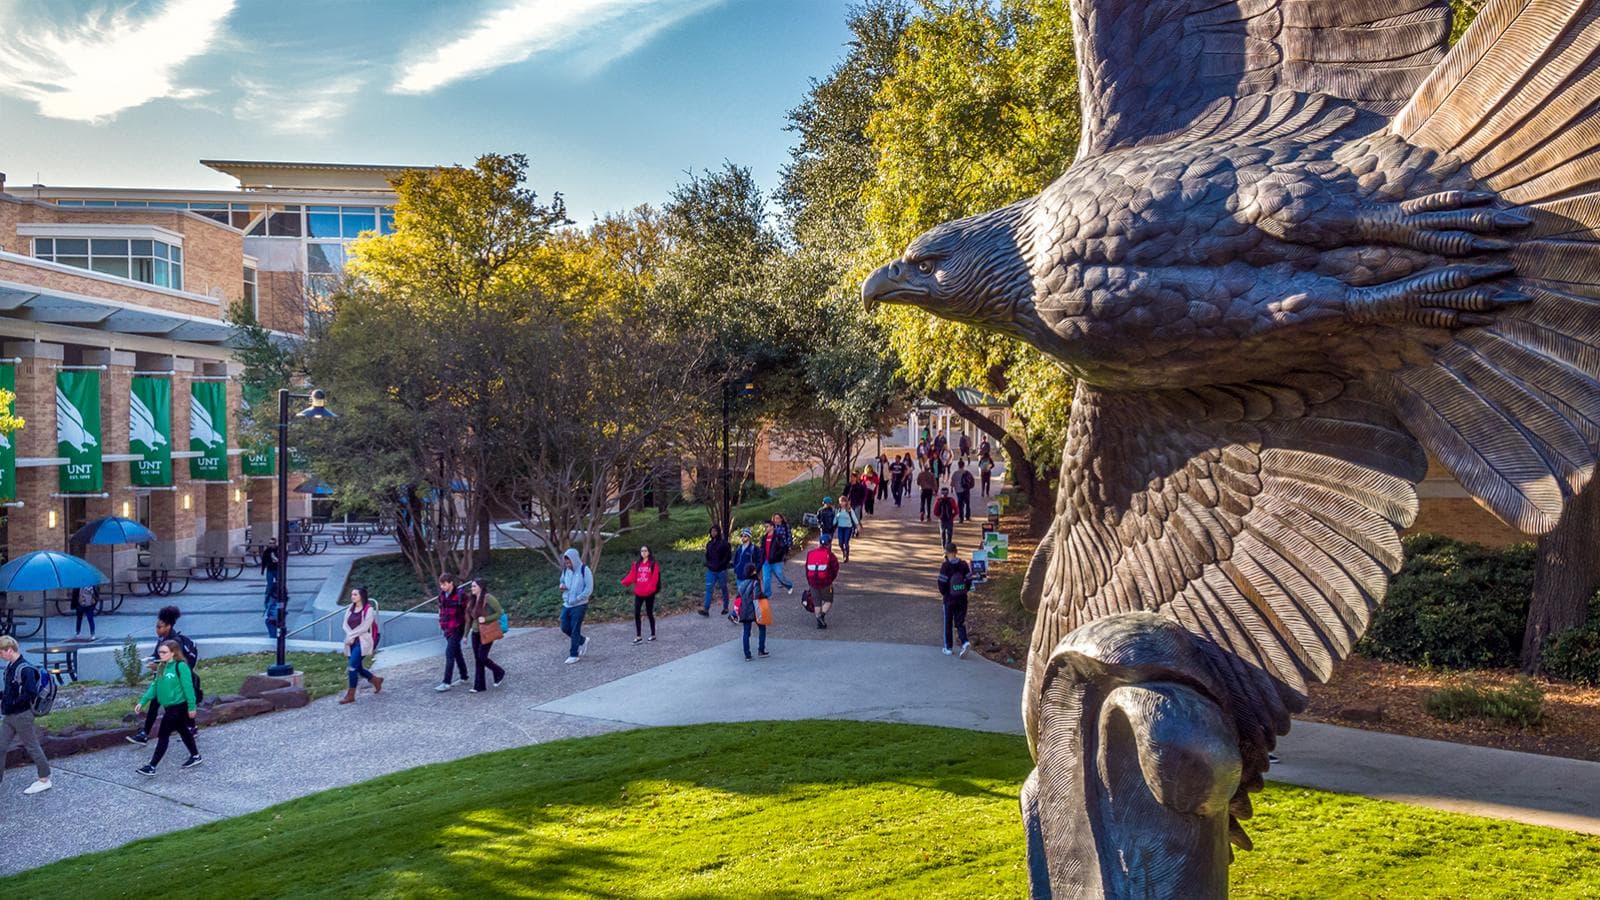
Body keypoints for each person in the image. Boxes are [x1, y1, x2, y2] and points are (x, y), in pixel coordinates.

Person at [127, 606, 199, 745]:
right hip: (163, 675)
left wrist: (158, 665)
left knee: (171, 706)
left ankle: (189, 731)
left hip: (173, 679)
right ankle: (146, 733)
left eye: (160, 627)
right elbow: (158, 655)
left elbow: (176, 662)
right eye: (156, 627)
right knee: (157, 703)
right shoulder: (163, 639)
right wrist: (153, 661)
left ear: (168, 626)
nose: (157, 630)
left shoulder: (174, 641)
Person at [134, 638, 200, 775]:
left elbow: (188, 688)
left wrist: (192, 707)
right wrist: (142, 702)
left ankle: (152, 766)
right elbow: (154, 686)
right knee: (183, 731)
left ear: (173, 653)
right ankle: (195, 756)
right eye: (160, 652)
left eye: (164, 652)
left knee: (163, 735)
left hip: (178, 707)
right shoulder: (162, 667)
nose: (160, 655)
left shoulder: (180, 666)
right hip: (169, 707)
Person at [0, 635, 52, 795]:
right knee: (0, 746)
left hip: (22, 715)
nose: (1, 656)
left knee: (32, 746)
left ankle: (45, 778)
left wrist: (12, 703)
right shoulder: (12, 667)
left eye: (1, 652)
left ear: (9, 650)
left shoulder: (25, 669)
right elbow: (12, 691)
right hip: (10, 715)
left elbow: (30, 692)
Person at [340, 586, 384, 703]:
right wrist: (349, 635)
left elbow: (365, 627)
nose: (352, 597)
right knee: (358, 667)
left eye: (355, 594)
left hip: (362, 642)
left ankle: (351, 695)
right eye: (352, 594)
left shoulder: (368, 609)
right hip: (351, 642)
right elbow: (344, 624)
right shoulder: (350, 608)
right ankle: (375, 680)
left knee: (352, 667)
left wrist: (352, 635)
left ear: (361, 596)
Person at [465, 579, 506, 692]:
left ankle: (498, 671)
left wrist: (486, 619)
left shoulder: (488, 598)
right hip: (475, 633)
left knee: (482, 657)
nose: (472, 588)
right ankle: (479, 686)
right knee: (478, 659)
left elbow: (499, 613)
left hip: (486, 632)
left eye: (474, 586)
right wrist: (465, 635)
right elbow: (469, 619)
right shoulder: (472, 600)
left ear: (481, 587)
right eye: (471, 586)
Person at [938, 542, 973, 657]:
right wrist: (964, 591)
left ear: (946, 553)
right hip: (962, 598)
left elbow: (941, 584)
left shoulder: (945, 566)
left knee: (948, 622)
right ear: (956, 552)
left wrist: (945, 594)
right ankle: (965, 642)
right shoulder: (963, 565)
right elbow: (968, 580)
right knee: (960, 622)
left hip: (949, 598)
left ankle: (948, 647)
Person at [434, 574, 468, 692]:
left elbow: (467, 612)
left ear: (451, 583)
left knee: (449, 654)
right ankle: (464, 676)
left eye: (444, 584)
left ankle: (446, 682)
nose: (442, 587)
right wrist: (441, 622)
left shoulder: (460, 595)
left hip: (457, 627)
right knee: (456, 652)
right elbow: (441, 610)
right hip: (447, 628)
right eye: (441, 584)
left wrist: (465, 631)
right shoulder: (442, 596)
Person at [621, 545, 661, 644]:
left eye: (645, 551)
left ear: (649, 552)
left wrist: (650, 589)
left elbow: (654, 579)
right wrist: (625, 582)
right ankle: (638, 636)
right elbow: (632, 576)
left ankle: (653, 634)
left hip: (649, 593)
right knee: (636, 613)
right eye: (642, 551)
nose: (643, 552)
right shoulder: (637, 564)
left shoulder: (653, 564)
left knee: (649, 613)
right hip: (639, 592)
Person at [559, 548, 593, 663]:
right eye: (566, 562)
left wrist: (577, 599)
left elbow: (588, 589)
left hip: (580, 604)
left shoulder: (585, 570)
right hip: (567, 603)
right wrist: (562, 586)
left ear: (575, 560)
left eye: (569, 562)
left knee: (575, 628)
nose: (568, 565)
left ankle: (574, 654)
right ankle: (582, 640)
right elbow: (562, 580)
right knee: (564, 626)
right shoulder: (566, 571)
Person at [804, 533, 840, 629]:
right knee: (828, 600)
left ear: (819, 542)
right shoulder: (830, 556)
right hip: (826, 583)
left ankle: (818, 620)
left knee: (817, 602)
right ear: (829, 544)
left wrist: (809, 581)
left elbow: (807, 569)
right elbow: (835, 569)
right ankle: (821, 617)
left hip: (813, 583)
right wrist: (830, 579)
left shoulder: (810, 553)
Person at [736, 562, 769, 660]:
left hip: (744, 610)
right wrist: (764, 596)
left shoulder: (742, 584)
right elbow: (757, 595)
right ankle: (761, 650)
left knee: (746, 632)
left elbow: (739, 596)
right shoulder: (755, 582)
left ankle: (747, 654)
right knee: (762, 628)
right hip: (754, 609)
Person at [701, 525, 732, 617]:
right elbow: (707, 556)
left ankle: (726, 607)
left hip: (721, 570)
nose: (713, 533)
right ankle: (706, 609)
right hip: (711, 570)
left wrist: (722, 565)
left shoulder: (724, 544)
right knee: (709, 589)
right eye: (712, 531)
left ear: (718, 532)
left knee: (723, 588)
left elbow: (727, 556)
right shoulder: (709, 544)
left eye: (715, 531)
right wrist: (708, 564)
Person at [732, 528, 762, 622]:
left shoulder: (754, 549)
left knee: (751, 597)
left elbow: (759, 560)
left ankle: (757, 613)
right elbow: (736, 560)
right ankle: (735, 614)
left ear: (749, 537)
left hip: (749, 577)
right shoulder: (739, 549)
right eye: (742, 536)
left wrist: (755, 570)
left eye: (745, 536)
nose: (743, 538)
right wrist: (736, 569)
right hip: (740, 575)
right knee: (740, 596)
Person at [761, 514, 795, 598]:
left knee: (780, 577)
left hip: (776, 561)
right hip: (766, 561)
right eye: (765, 527)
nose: (766, 528)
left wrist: (777, 556)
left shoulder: (778, 537)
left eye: (767, 526)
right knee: (766, 579)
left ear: (772, 527)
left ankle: (789, 585)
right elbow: (762, 548)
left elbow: (782, 548)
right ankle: (767, 594)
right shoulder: (764, 538)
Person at [261, 538, 281, 639]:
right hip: (270, 569)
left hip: (276, 569)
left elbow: (282, 560)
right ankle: (268, 592)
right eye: (269, 543)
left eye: (272, 543)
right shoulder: (267, 551)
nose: (270, 545)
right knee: (269, 584)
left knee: (278, 582)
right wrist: (262, 569)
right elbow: (264, 560)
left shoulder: (278, 550)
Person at [835, 496, 861, 563]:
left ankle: (846, 556)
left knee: (846, 543)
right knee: (840, 543)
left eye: (843, 501)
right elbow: (835, 519)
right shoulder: (838, 509)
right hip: (840, 528)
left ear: (846, 502)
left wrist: (857, 525)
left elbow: (854, 517)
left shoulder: (849, 509)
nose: (842, 503)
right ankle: (844, 552)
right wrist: (832, 524)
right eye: (841, 501)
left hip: (848, 528)